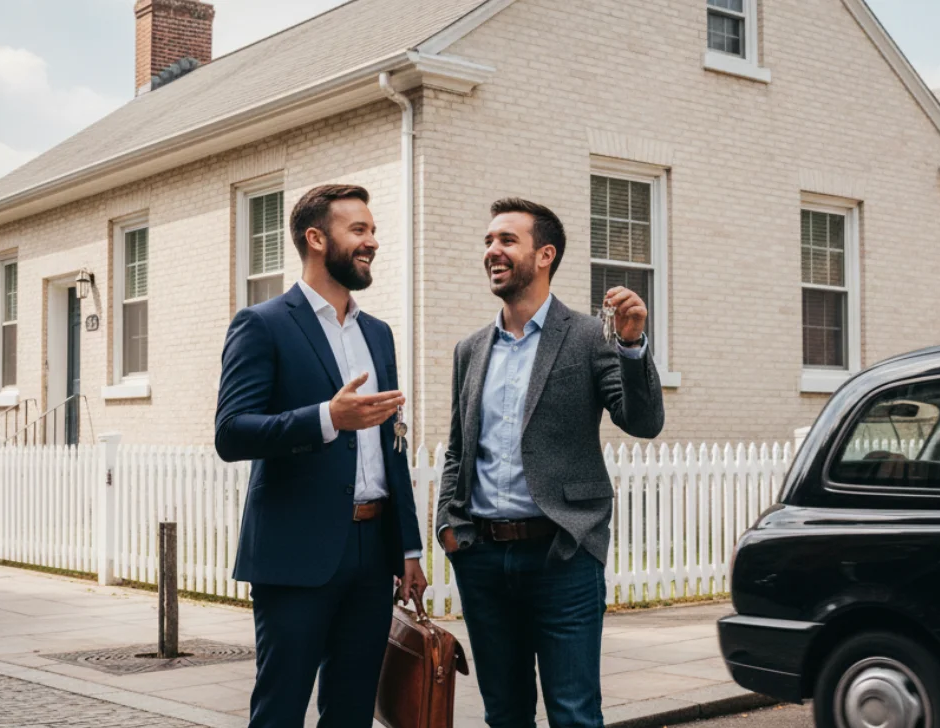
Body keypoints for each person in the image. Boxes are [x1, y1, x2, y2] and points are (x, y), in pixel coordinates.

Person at [436, 197, 665, 727]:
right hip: (484, 560)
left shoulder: (589, 337)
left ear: (545, 255)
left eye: (506, 241)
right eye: (488, 241)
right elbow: (457, 449)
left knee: (574, 714)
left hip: (563, 555)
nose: (492, 250)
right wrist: (450, 526)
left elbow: (644, 421)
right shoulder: (470, 350)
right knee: (505, 714)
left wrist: (632, 348)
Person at [215, 184, 427, 728]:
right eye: (359, 230)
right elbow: (232, 433)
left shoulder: (378, 335)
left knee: (353, 711)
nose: (372, 241)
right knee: (280, 709)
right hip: (296, 555)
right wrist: (327, 418)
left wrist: (408, 547)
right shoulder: (262, 324)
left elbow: (392, 444)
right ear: (315, 238)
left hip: (372, 552)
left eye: (373, 231)